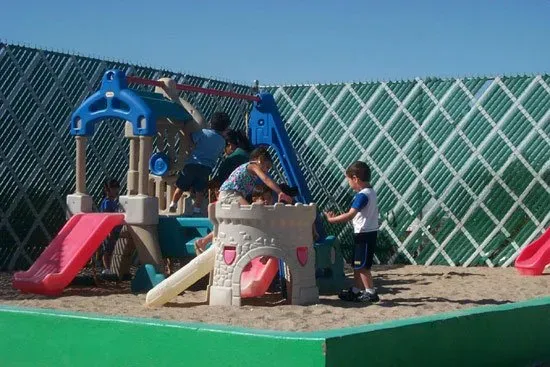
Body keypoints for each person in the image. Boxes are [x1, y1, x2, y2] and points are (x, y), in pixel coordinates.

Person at [324, 161, 380, 303]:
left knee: (362, 266)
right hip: (366, 232)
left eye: (348, 180)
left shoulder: (362, 195)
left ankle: (370, 291)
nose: (348, 183)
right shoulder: (371, 192)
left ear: (355, 178)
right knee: (357, 264)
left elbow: (350, 215)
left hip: (364, 234)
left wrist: (332, 219)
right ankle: (357, 289)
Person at [169, 112, 230, 214]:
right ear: (225, 127)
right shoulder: (222, 142)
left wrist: (185, 130)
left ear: (211, 123)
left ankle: (173, 203)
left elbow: (192, 138)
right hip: (206, 168)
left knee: (181, 186)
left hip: (193, 163)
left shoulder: (204, 133)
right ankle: (197, 209)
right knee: (200, 190)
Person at [218, 147, 293, 205]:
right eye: (267, 166)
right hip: (230, 193)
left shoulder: (252, 174)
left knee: (248, 209)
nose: (267, 170)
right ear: (259, 160)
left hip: (232, 194)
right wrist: (280, 192)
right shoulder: (253, 166)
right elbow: (266, 179)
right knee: (249, 212)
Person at [99, 178, 122, 276]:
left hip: (115, 229)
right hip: (108, 229)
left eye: (117, 188)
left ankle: (110, 268)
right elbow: (106, 216)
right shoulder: (107, 202)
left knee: (111, 249)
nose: (116, 191)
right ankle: (107, 268)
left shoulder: (114, 202)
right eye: (114, 189)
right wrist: (108, 230)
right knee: (107, 250)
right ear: (108, 190)